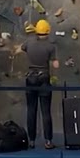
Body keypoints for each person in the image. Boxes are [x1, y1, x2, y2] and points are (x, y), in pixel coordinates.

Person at [23, 19, 59, 149]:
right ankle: (48, 141)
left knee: (31, 110)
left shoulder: (29, 42)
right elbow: (55, 64)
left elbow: (22, 48)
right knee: (45, 111)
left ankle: (31, 141)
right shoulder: (51, 46)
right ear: (48, 31)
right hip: (44, 78)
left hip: (30, 78)